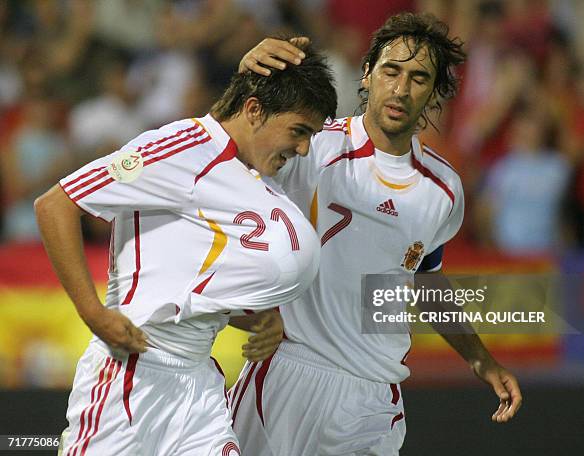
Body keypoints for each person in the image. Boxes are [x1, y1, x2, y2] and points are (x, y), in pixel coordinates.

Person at [230, 12, 522, 455]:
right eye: (391, 70)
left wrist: (479, 357)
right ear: (367, 74)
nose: (401, 89)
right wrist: (246, 79)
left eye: (419, 77)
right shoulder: (311, 146)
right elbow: (223, 156)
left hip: (373, 395)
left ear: (436, 92)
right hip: (288, 370)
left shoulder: (443, 191)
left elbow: (423, 278)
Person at [34, 44, 336, 456]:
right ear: (253, 110)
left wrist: (260, 320)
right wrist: (94, 314)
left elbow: (197, 284)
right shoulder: (183, 146)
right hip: (132, 379)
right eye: (299, 131)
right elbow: (56, 204)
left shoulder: (252, 173)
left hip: (198, 385)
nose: (303, 149)